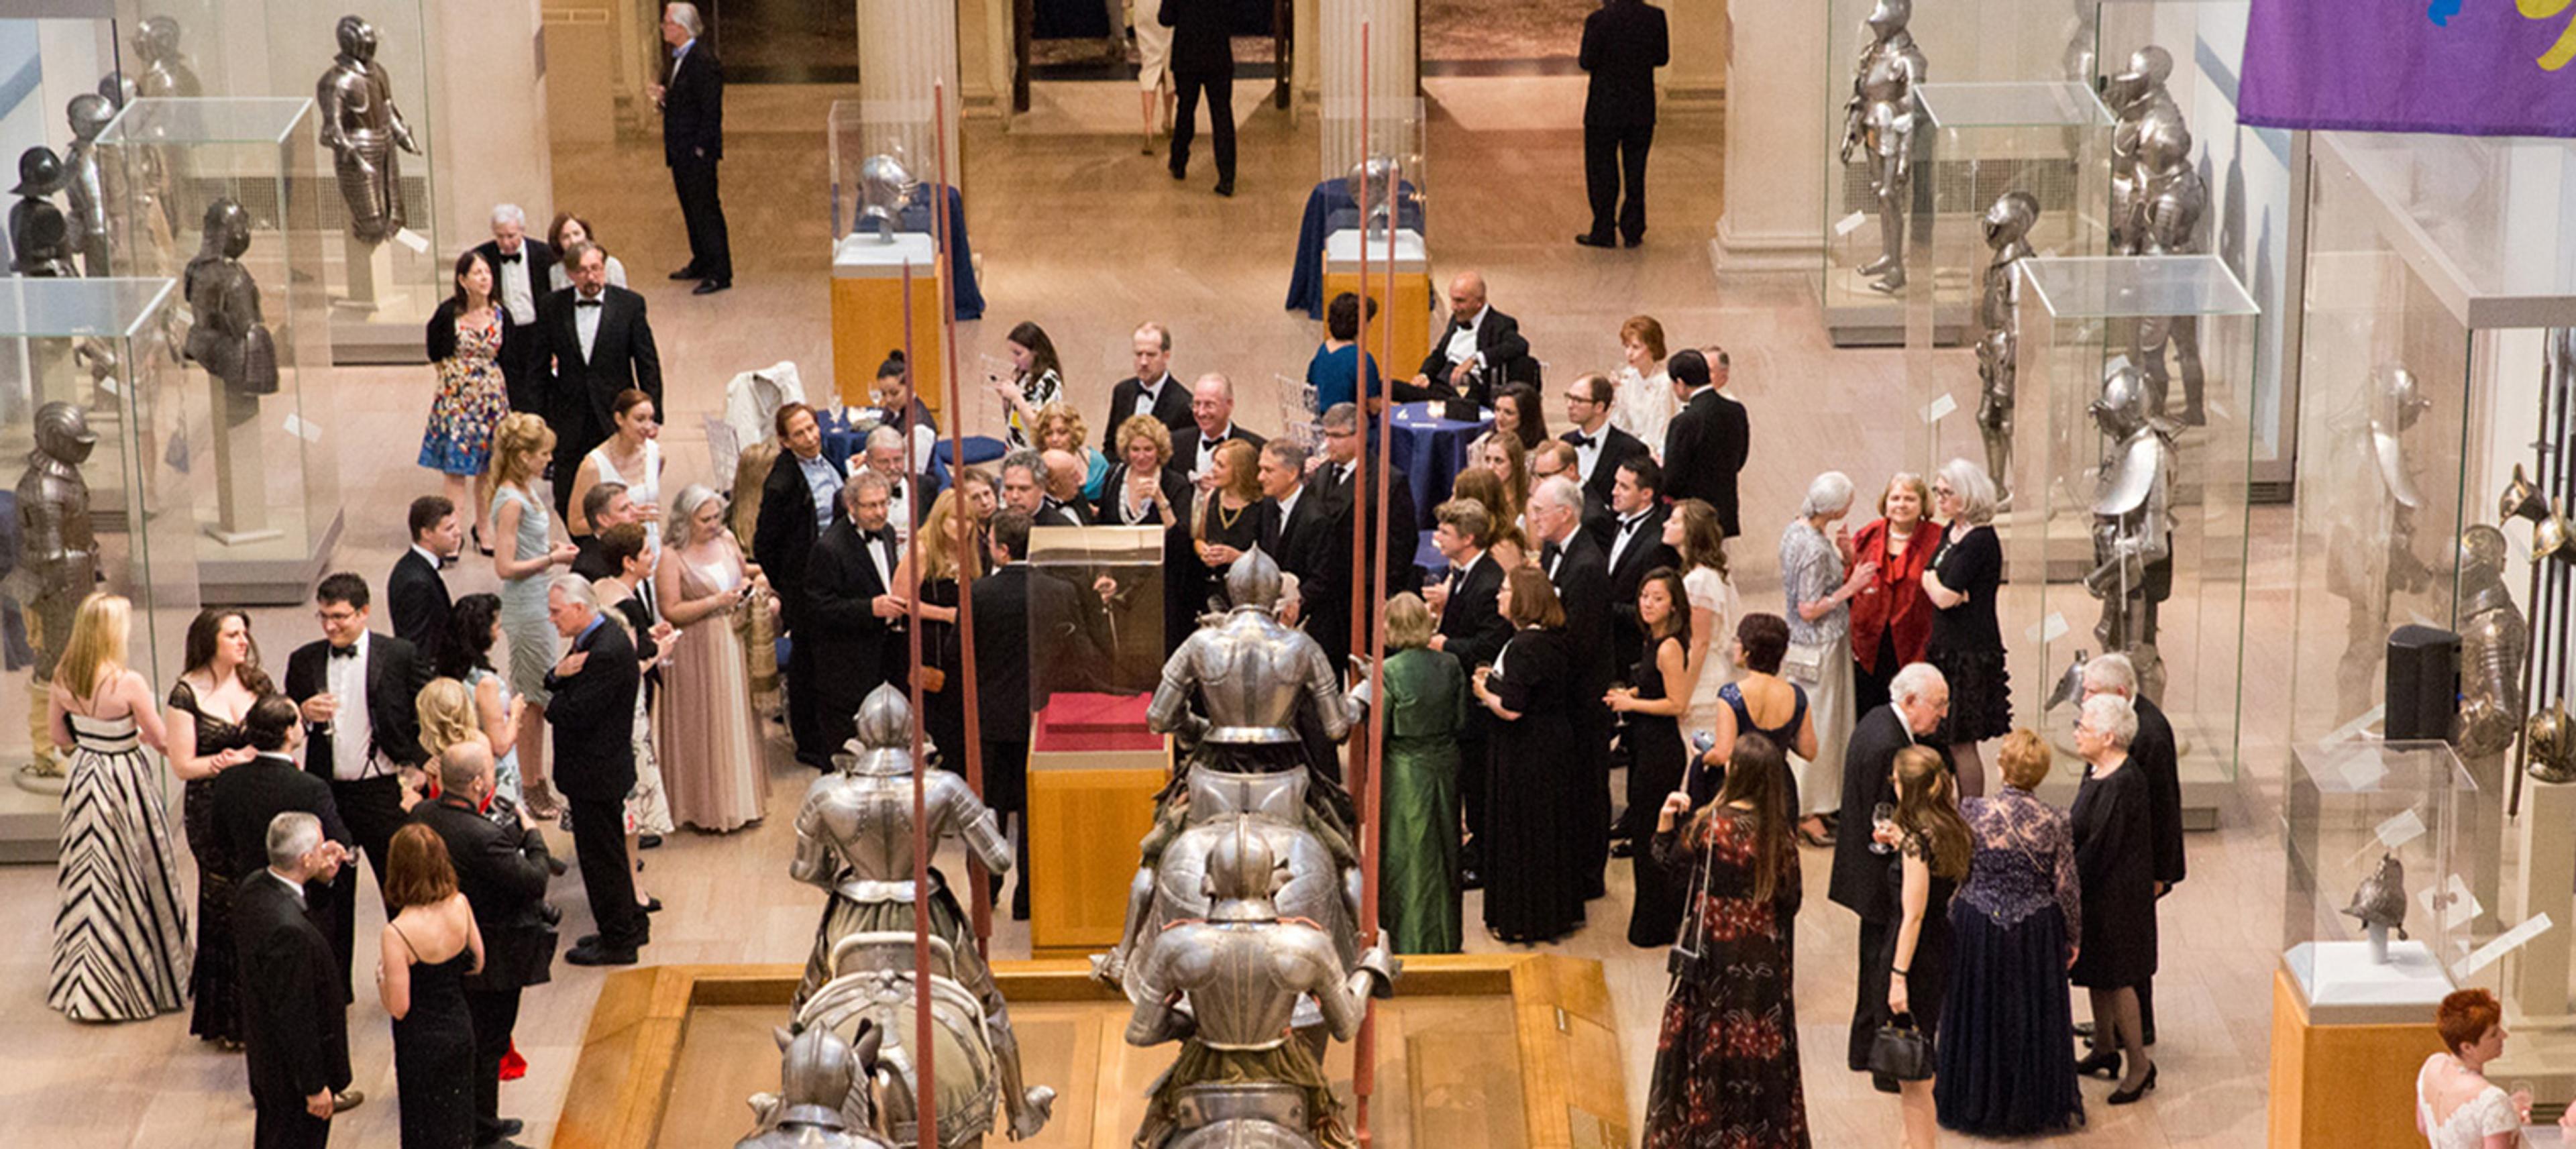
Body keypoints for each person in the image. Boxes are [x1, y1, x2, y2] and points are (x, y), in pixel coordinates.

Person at [1641, 732, 1807, 1148]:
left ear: (1737, 773)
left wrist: (1664, 823)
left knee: (1708, 1040)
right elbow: (1792, 901)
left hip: (1712, 953)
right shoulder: (1780, 836)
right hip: (1763, 957)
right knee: (1759, 1049)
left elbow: (1668, 866)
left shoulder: (1709, 826)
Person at [285, 572, 433, 987]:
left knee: (400, 887)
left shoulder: (399, 654)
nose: (331, 626)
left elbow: (423, 710)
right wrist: (302, 713)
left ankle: (410, 978)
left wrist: (420, 764)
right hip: (327, 794)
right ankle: (335, 990)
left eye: (340, 617)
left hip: (383, 791)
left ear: (364, 612)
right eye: (324, 617)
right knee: (330, 894)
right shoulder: (304, 660)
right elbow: (287, 729)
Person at [1935, 729, 2084, 1136]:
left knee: (1979, 1011)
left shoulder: (1972, 811)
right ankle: (2029, 1105)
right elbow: (2066, 886)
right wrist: (2073, 938)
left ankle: (1975, 1099)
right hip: (2034, 930)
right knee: (2025, 1014)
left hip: (1978, 923)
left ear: (2002, 767)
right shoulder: (2056, 820)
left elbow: (1958, 870)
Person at [46, 592, 187, 1021]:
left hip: (85, 777)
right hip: (124, 778)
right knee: (137, 870)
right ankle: (145, 974)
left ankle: (86, 977)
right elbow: (162, 739)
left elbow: (59, 737)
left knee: (89, 876)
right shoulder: (128, 682)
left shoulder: (63, 675)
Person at [411, 742, 553, 1149]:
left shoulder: (424, 815)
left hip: (446, 945)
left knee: (475, 1039)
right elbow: (533, 879)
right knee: (489, 1041)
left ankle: (479, 1121)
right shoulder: (483, 836)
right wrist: (533, 836)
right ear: (478, 783)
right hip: (492, 951)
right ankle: (483, 1133)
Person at [1830, 661, 1950, 1091]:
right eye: (1938, 705)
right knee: (1885, 969)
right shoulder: (1889, 746)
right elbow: (1889, 817)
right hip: (1882, 876)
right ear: (1911, 701)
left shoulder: (1878, 721)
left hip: (1867, 872)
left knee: (1872, 967)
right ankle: (1885, 1063)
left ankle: (1864, 1049)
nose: (1942, 714)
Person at [166, 608, 267, 1048]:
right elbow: (182, 764)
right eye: (233, 634)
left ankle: (260, 1012)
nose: (242, 641)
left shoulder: (257, 683)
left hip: (257, 805)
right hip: (211, 811)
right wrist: (230, 759)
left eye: (244, 633)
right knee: (225, 904)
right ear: (211, 641)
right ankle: (229, 1020)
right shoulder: (185, 693)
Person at [1469, 567, 1587, 943]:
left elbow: (1512, 707)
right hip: (1550, 743)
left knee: (1525, 830)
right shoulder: (1548, 640)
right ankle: (1551, 912)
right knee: (1547, 828)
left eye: (1505, 590)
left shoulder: (1525, 646)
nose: (1499, 596)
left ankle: (1524, 916)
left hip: (1526, 749)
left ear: (1523, 599)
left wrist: (1483, 691)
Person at [2080, 651, 2182, 1048]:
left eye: (2092, 691)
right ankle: (2116, 1025)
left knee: (2130, 951)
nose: (2085, 699)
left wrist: (2160, 874)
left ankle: (2137, 1028)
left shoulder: (2149, 735)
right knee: (2119, 948)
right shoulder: (2124, 723)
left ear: (2120, 693)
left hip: (2138, 864)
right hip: (2123, 860)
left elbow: (2163, 808)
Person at [657, 483, 773, 831]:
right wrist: (716, 602)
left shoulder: (726, 541)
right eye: (705, 519)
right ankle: (705, 808)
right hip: (697, 647)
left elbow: (745, 572)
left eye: (716, 517)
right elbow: (671, 609)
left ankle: (742, 801)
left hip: (734, 640)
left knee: (736, 715)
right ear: (685, 520)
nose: (713, 524)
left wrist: (758, 582)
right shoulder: (671, 556)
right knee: (704, 721)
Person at [237, 812, 356, 1149]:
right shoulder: (288, 933)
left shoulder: (254, 887)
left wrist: (325, 878)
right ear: (306, 859)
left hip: (266, 1059)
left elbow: (307, 913)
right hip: (290, 1076)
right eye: (320, 847)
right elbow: (296, 1014)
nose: (327, 850)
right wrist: (314, 1086)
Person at [545, 573, 647, 965]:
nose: (552, 619)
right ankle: (625, 926)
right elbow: (556, 679)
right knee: (609, 854)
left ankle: (619, 939)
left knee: (601, 859)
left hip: (596, 770)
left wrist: (556, 694)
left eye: (557, 612)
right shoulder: (595, 638)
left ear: (578, 608)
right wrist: (558, 676)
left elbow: (570, 711)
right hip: (600, 767)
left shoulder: (604, 652)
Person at [2068, 691, 2157, 1103]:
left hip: (2118, 900)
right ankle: (2104, 1047)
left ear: (2107, 737)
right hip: (2097, 895)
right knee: (2096, 972)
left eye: (2083, 728)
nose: (2077, 733)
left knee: (2119, 979)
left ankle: (2138, 1063)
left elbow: (2100, 848)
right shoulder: (2097, 771)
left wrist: (2064, 879)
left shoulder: (2123, 783)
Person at [486, 413, 578, 804]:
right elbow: (505, 566)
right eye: (542, 454)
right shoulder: (511, 500)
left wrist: (548, 553)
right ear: (523, 456)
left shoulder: (526, 491)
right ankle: (530, 781)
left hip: (539, 600)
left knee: (540, 694)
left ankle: (536, 778)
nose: (547, 460)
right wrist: (550, 559)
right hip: (526, 605)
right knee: (532, 697)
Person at [1530, 476, 1614, 899]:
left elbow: (1580, 641)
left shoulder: (1586, 565)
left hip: (1584, 697)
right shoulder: (1552, 549)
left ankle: (1589, 875)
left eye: (1540, 511)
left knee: (1588, 785)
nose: (1534, 517)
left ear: (1566, 514)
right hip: (1566, 693)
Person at [1883, 745, 1970, 1149]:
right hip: (1940, 944)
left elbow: (1912, 914)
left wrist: (1898, 976)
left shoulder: (1917, 843)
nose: (1892, 785)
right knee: (1920, 1052)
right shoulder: (1951, 826)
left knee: (1914, 1072)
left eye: (1897, 780)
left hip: (1914, 954)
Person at [541, 241, 663, 522]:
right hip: (569, 413)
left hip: (615, 411)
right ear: (570, 274)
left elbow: (647, 362)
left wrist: (652, 416)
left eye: (596, 269)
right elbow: (537, 365)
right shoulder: (552, 307)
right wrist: (540, 415)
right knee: (567, 488)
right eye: (583, 271)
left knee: (620, 486)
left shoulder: (630, 305)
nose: (591, 276)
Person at [1780, 472, 1873, 840]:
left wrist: (1846, 558)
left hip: (1809, 644)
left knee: (1817, 720)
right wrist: (1850, 587)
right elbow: (1808, 607)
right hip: (1819, 645)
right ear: (1835, 508)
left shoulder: (1798, 530)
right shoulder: (1814, 547)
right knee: (1819, 724)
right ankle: (1809, 810)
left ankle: (1814, 805)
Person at [378, 823, 482, 1149]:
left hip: (421, 1041)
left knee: (425, 1124)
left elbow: (399, 1006)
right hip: (459, 1025)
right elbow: (478, 961)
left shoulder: (397, 933)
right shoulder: (460, 904)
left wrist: (382, 980)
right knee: (458, 1117)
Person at [755, 402, 847, 767]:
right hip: (807, 584)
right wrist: (790, 585)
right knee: (809, 664)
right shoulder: (782, 483)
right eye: (800, 434)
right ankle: (812, 742)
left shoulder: (827, 460)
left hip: (832, 572)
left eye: (812, 428)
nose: (810, 438)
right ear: (784, 441)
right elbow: (765, 543)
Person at [1426, 498, 1512, 877]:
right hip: (1460, 695)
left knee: (1477, 779)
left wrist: (1443, 643)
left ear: (1469, 538)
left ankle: (1482, 853)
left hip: (1478, 699)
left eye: (1446, 532)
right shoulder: (1461, 573)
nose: (1438, 537)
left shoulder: (1489, 582)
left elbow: (1489, 645)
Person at [1375, 593, 1465, 954]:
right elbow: (1460, 720)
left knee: (1408, 854)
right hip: (1445, 762)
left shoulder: (1389, 672)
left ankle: (1409, 938)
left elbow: (1380, 730)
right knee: (1445, 850)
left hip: (1406, 768)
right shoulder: (1452, 664)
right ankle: (1446, 937)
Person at [1607, 567, 1692, 947]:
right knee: (1643, 835)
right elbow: (1656, 685)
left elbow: (1678, 703)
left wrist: (1631, 702)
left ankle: (1657, 922)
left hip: (1660, 750)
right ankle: (1653, 917)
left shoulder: (1670, 646)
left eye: (1658, 598)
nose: (1648, 604)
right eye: (1644, 596)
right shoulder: (1652, 641)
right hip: (1645, 743)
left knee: (1651, 836)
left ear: (1674, 604)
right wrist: (1634, 694)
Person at [592, 524, 675, 909]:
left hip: (610, 711)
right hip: (628, 712)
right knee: (631, 798)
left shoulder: (601, 590)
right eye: (646, 552)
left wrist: (649, 636)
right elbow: (627, 667)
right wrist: (660, 650)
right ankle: (632, 885)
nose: (652, 557)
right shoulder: (624, 603)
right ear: (628, 561)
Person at [1922, 457, 2009, 798]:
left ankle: (1972, 815)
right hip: (1946, 646)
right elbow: (1930, 577)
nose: (1940, 499)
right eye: (1938, 492)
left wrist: (1940, 587)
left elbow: (1943, 596)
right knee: (1942, 736)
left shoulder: (1980, 541)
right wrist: (1937, 584)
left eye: (1948, 493)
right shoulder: (1951, 532)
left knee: (1961, 740)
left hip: (1969, 650)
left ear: (1969, 496)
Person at [973, 510, 1041, 920]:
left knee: (987, 814)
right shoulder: (1057, 591)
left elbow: (958, 656)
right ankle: (1027, 901)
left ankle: (987, 893)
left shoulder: (980, 594)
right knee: (1033, 814)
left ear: (1001, 550)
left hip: (991, 720)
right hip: (1038, 722)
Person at [808, 473, 910, 745]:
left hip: (885, 656)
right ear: (851, 507)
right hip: (848, 664)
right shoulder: (829, 548)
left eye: (884, 503)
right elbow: (819, 608)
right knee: (848, 747)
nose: (880, 512)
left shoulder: (886, 533)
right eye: (871, 506)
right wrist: (869, 609)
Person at [419, 250, 511, 547]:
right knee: (456, 469)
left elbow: (510, 354)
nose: (484, 279)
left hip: (491, 400)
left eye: (487, 272)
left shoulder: (500, 313)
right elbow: (435, 349)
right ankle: (453, 532)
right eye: (477, 273)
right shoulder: (449, 314)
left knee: (488, 468)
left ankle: (484, 529)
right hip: (456, 399)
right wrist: (453, 379)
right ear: (463, 279)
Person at [650, 2, 731, 293]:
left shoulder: (703, 61)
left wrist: (701, 149)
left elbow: (711, 112)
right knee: (690, 208)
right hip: (680, 150)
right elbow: (684, 102)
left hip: (696, 153)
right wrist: (664, 99)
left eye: (667, 22)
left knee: (706, 209)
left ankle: (719, 271)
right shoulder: (676, 59)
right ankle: (701, 260)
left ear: (682, 27)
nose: (663, 28)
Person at [1576, 0, 1669, 249]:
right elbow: (1662, 58)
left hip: (1604, 107)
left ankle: (1604, 228)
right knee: (1636, 170)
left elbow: (1586, 61)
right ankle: (1633, 228)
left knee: (1602, 170)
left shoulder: (1599, 20)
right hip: (1641, 106)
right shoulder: (1655, 17)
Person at [905, 488, 985, 769]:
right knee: (940, 723)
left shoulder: (974, 551)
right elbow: (903, 601)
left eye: (969, 520)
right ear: (940, 519)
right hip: (932, 646)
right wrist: (947, 615)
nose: (962, 526)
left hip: (964, 647)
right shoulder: (922, 550)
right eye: (955, 519)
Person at [1717, 612, 1820, 818]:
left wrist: (1703, 756)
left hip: (1744, 785)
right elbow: (1809, 750)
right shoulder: (1796, 695)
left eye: (1738, 640)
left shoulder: (1731, 694)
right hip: (1780, 785)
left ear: (1747, 651)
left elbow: (1723, 754)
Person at [1850, 473, 1936, 717]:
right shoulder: (1867, 535)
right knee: (1869, 712)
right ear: (1885, 503)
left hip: (1915, 641)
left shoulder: (1937, 537)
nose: (1901, 505)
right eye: (1895, 498)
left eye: (1909, 499)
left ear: (1922, 505)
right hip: (1871, 643)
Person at [1259, 439, 1346, 669]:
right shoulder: (1268, 506)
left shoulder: (1316, 519)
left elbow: (1323, 579)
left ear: (1292, 473)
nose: (1260, 477)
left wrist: (1293, 603)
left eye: (1268, 470)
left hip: (1312, 631)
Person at [436, 594, 528, 808]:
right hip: (492, 772)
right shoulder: (485, 684)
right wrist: (515, 713)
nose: (498, 632)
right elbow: (501, 744)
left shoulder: (449, 671)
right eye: (496, 626)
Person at [1667, 498, 1739, 759]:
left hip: (1703, 679)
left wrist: (1683, 695)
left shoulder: (1699, 581)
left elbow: (1700, 642)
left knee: (1700, 754)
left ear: (1690, 532)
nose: (1666, 524)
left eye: (1674, 521)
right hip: (1709, 670)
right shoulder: (1711, 573)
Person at [2416, 989, 2532, 1149]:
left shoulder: (2432, 1065)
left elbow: (2424, 1126)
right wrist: (2510, 1124)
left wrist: (2506, 1115)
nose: (2504, 1036)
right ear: (2467, 1047)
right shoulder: (2493, 1100)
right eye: (2493, 1034)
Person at [469, 205, 555, 417]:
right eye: (500, 237)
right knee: (510, 389)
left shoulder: (543, 254)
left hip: (537, 330)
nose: (506, 243)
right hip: (503, 331)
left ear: (522, 231)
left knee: (539, 388)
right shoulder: (483, 256)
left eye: (511, 236)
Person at [1601, 457, 1678, 691]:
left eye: (1624, 487)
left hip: (1632, 651)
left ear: (1646, 494)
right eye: (1616, 484)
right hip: (1611, 648)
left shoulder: (1657, 543)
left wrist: (1602, 606)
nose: (1614, 492)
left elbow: (1652, 609)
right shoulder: (1619, 523)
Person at [1402, 271, 1533, 406]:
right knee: (1392, 388)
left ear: (1479, 302)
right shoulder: (1457, 318)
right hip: (1440, 382)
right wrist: (1425, 375)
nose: (1453, 307)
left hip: (1466, 390)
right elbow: (1439, 354)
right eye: (1452, 299)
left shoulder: (1500, 323)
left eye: (1460, 301)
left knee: (1396, 390)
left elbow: (1520, 345)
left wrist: (1474, 360)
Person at [1660, 348, 1750, 541]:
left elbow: (1672, 480)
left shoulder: (1684, 421)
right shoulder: (1736, 410)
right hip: (1725, 513)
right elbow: (1740, 460)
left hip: (1694, 519)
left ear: (1681, 383)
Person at [566, 388, 664, 561]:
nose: (648, 427)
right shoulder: (593, 466)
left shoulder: (657, 455)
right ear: (620, 419)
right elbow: (575, 525)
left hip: (650, 550)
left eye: (651, 419)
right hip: (614, 556)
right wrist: (618, 521)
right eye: (640, 419)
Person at [1161, 0, 1235, 197]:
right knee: (1222, 115)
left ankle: (1179, 161)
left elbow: (1165, 18)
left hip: (1187, 54)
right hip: (1218, 54)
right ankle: (1227, 177)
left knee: (1185, 110)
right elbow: (1236, 15)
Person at [1191, 439, 1269, 612]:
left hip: (1249, 595)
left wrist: (1238, 557)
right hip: (1212, 589)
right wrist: (1203, 550)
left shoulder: (1262, 506)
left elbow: (1270, 559)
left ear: (1239, 470)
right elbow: (1199, 538)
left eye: (1220, 465)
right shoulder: (1212, 496)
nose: (1213, 470)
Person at [1562, 371, 1648, 513]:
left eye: (1578, 400)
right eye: (1569, 397)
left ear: (1599, 407)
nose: (1570, 405)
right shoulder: (1565, 442)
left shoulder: (1631, 448)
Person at [1104, 322, 1193, 453]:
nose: (1144, 362)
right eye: (1139, 354)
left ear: (1166, 356)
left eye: (1151, 355)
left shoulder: (1183, 403)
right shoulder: (1122, 392)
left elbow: (1180, 457)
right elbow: (1111, 445)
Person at [391, 496, 460, 663]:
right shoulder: (416, 583)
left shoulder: (417, 566)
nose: (457, 533)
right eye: (449, 529)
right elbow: (418, 649)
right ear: (427, 534)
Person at [1171, 372, 1265, 487]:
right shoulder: (1175, 443)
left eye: (1209, 405)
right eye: (1196, 404)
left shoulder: (1255, 448)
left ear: (1229, 404)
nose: (1201, 412)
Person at [989, 320, 1066, 451]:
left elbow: (1041, 425)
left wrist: (1016, 397)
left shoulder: (1049, 380)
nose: (1014, 359)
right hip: (1015, 447)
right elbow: (1015, 416)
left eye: (1018, 354)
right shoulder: (1025, 375)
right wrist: (1006, 398)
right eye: (1012, 353)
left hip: (1034, 453)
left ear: (1035, 352)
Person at [1308, 292, 1384, 415]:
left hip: (1323, 421)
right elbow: (1374, 407)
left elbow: (1311, 385)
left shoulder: (1323, 350)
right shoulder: (1361, 358)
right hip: (1349, 425)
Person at [1609, 315, 1677, 451]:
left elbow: (1666, 426)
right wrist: (1613, 396)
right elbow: (1621, 424)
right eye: (1627, 346)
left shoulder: (1666, 382)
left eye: (1636, 347)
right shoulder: (1627, 379)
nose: (1629, 353)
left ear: (1652, 348)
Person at [1033, 401, 1110, 504]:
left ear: (1074, 433)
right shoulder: (1033, 466)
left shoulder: (1096, 463)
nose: (1054, 439)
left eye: (1062, 432)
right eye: (1048, 433)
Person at [545, 214, 628, 291]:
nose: (573, 241)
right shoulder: (556, 271)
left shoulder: (611, 265)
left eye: (577, 234)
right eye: (565, 237)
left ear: (587, 235)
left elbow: (622, 300)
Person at [1134, 2, 1175, 152]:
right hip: (1166, 7)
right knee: (1169, 64)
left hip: (1144, 8)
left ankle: (1148, 127)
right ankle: (1168, 120)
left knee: (1149, 64)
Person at [1038, 448, 1095, 526]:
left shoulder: (1079, 497)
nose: (1081, 479)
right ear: (1053, 485)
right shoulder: (1037, 513)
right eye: (1073, 475)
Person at [1491, 382, 1549, 451]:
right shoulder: (1482, 445)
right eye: (1497, 410)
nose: (1500, 418)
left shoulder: (1541, 455)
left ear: (1526, 417)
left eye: (1508, 413)